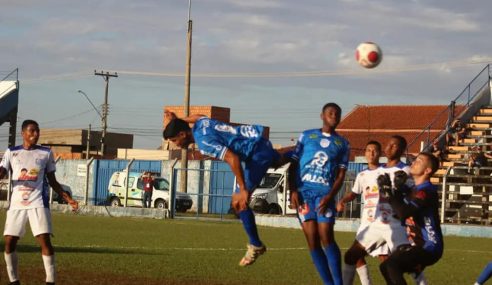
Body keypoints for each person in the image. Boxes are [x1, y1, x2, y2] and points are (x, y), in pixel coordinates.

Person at [163, 111, 286, 266]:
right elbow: (198, 115)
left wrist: (243, 189)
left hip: (256, 154)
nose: (175, 144)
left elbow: (232, 158)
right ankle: (304, 154)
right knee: (283, 159)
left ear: (182, 134)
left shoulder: (204, 142)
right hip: (259, 141)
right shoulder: (202, 124)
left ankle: (256, 245)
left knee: (238, 203)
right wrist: (179, 120)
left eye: (175, 140)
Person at [339, 136, 427, 285]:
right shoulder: (377, 171)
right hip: (375, 224)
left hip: (395, 224)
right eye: (388, 144)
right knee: (351, 256)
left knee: (404, 262)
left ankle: (422, 282)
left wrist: (413, 216)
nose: (389, 148)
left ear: (401, 150)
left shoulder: (404, 170)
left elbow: (413, 194)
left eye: (394, 146)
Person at [0, 119, 79, 285]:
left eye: (37, 131)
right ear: (23, 133)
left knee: (44, 239)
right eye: (32, 131)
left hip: (38, 202)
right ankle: (14, 281)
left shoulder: (46, 153)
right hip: (16, 204)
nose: (36, 134)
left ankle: (50, 281)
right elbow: (2, 172)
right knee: (9, 242)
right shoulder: (11, 152)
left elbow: (53, 180)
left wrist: (68, 198)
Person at [288, 103, 350, 285]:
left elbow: (340, 175)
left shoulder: (343, 143)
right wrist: (293, 190)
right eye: (330, 112)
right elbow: (293, 164)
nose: (334, 115)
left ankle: (338, 283)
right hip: (304, 193)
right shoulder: (307, 136)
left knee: (326, 235)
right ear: (322, 115)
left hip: (325, 195)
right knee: (313, 239)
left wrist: (331, 196)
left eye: (337, 114)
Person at [378, 152, 443, 285]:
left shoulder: (426, 191)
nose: (413, 163)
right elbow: (398, 211)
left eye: (419, 161)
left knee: (392, 265)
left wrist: (388, 191)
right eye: (414, 160)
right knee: (385, 267)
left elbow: (403, 213)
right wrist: (397, 188)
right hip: (417, 244)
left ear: (427, 170)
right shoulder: (414, 189)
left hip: (430, 247)